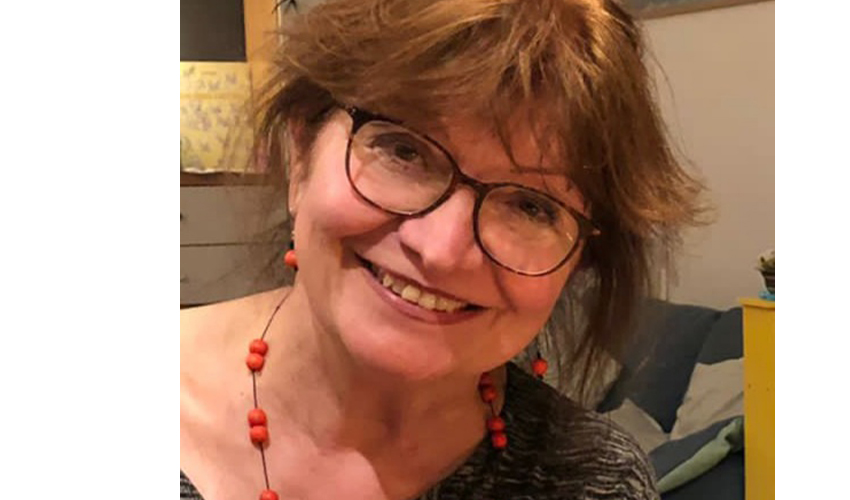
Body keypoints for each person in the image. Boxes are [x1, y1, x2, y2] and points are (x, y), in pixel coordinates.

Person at [180, 0, 705, 499]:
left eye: (530, 207)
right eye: (403, 151)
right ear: (301, 155)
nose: (442, 250)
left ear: (579, 261)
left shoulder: (596, 481)